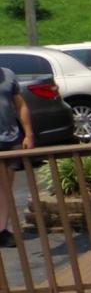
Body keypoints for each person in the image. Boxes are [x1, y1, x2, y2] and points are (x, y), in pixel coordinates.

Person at [0, 65, 37, 247]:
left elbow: (20, 104)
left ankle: (1, 230)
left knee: (5, 188)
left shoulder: (8, 74)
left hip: (9, 139)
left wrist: (28, 134)